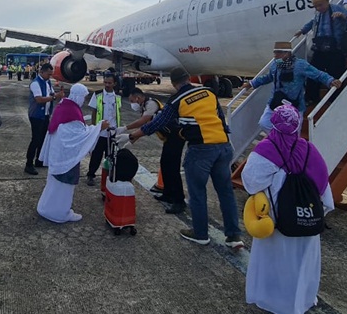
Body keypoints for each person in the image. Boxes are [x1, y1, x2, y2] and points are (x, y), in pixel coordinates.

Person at [130, 68, 242, 248]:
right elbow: (221, 119)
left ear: (174, 83)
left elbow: (158, 122)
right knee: (225, 192)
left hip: (201, 151)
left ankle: (200, 233)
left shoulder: (176, 100)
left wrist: (133, 135)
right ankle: (234, 236)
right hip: (223, 147)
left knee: (198, 193)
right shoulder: (209, 92)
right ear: (188, 79)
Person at [242, 103, 334, 314]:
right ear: (296, 126)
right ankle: (300, 299)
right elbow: (323, 188)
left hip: (277, 221)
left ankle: (271, 299)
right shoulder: (310, 150)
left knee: (274, 261)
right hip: (305, 218)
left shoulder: (266, 149)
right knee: (301, 264)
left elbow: (251, 182)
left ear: (273, 125)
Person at [37, 83, 108, 222]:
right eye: (83, 97)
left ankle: (46, 208)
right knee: (65, 186)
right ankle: (61, 213)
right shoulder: (72, 112)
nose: (84, 100)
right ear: (77, 96)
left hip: (58, 152)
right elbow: (78, 135)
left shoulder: (64, 105)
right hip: (66, 156)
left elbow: (72, 129)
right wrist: (99, 127)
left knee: (54, 185)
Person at [241, 42, 342, 132]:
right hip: (276, 102)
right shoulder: (275, 65)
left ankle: (288, 145)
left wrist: (330, 80)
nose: (275, 55)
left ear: (287, 53)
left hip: (294, 105)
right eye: (275, 53)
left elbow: (318, 74)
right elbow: (268, 77)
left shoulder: (300, 65)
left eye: (278, 53)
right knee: (264, 123)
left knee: (294, 133)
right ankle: (280, 140)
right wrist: (252, 83)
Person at [119, 87, 186, 213]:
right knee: (164, 164)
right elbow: (146, 128)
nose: (133, 103)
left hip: (176, 137)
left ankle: (178, 201)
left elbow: (143, 122)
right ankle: (167, 193)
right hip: (169, 138)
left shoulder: (151, 104)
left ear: (138, 97)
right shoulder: (145, 106)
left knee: (172, 168)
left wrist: (125, 129)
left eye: (132, 100)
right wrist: (130, 142)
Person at [294, 0, 347, 104]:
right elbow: (312, 22)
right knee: (313, 72)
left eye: (320, 5)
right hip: (320, 48)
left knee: (335, 73)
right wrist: (302, 30)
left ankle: (335, 99)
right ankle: (311, 98)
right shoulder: (318, 14)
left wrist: (342, 16)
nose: (318, 8)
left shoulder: (336, 9)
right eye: (316, 6)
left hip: (335, 48)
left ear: (327, 1)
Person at [25, 63, 63, 175]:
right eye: (48, 74)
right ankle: (28, 164)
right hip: (36, 115)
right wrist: (55, 97)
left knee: (42, 139)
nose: (50, 76)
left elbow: (50, 95)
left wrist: (57, 95)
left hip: (45, 114)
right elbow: (39, 99)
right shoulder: (36, 83)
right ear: (42, 72)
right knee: (35, 140)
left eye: (51, 74)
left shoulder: (47, 83)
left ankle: (39, 160)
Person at [86, 72, 121, 186]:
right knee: (96, 155)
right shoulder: (98, 95)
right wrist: (94, 128)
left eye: (109, 83)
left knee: (110, 156)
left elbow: (117, 112)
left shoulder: (117, 97)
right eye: (105, 82)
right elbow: (94, 111)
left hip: (112, 131)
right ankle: (91, 175)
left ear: (114, 83)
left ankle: (110, 175)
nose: (107, 85)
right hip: (100, 131)